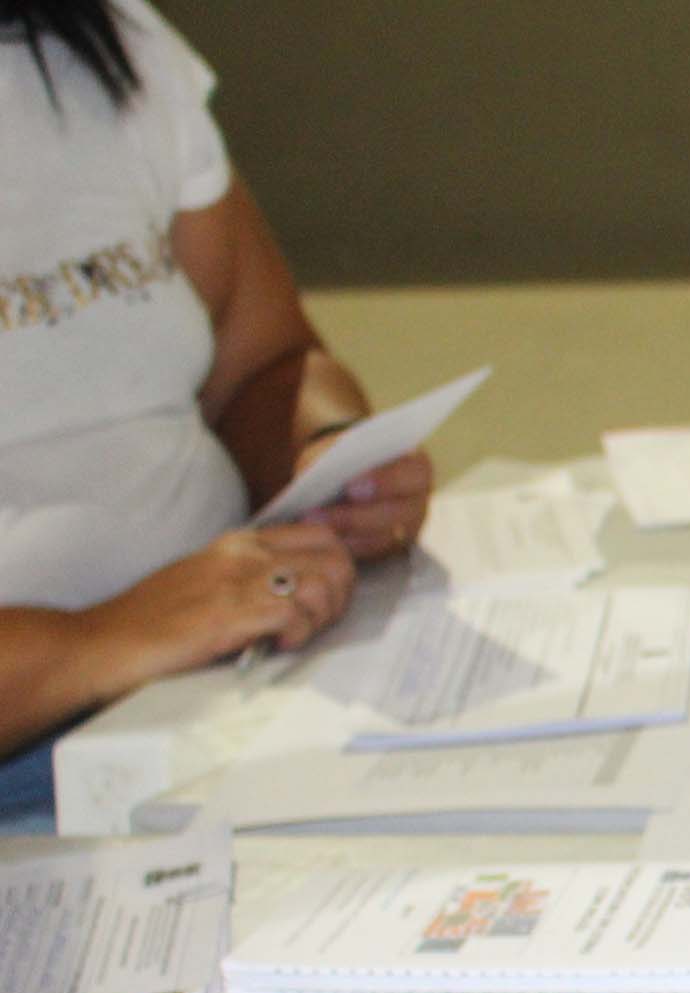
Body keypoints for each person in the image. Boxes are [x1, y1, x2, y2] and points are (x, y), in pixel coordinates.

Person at [0, 0, 430, 828]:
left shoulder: (107, 43)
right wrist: (107, 639)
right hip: (49, 779)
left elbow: (261, 363)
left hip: (239, 689)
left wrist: (331, 459)